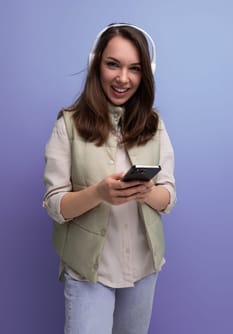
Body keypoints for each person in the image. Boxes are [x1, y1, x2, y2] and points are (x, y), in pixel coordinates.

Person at [43, 23, 176, 334]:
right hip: (90, 270)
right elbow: (54, 205)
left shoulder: (154, 125)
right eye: (113, 64)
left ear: (146, 74)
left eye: (135, 68)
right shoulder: (68, 124)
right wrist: (100, 193)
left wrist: (147, 191)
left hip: (144, 266)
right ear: (96, 64)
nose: (123, 78)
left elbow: (168, 196)